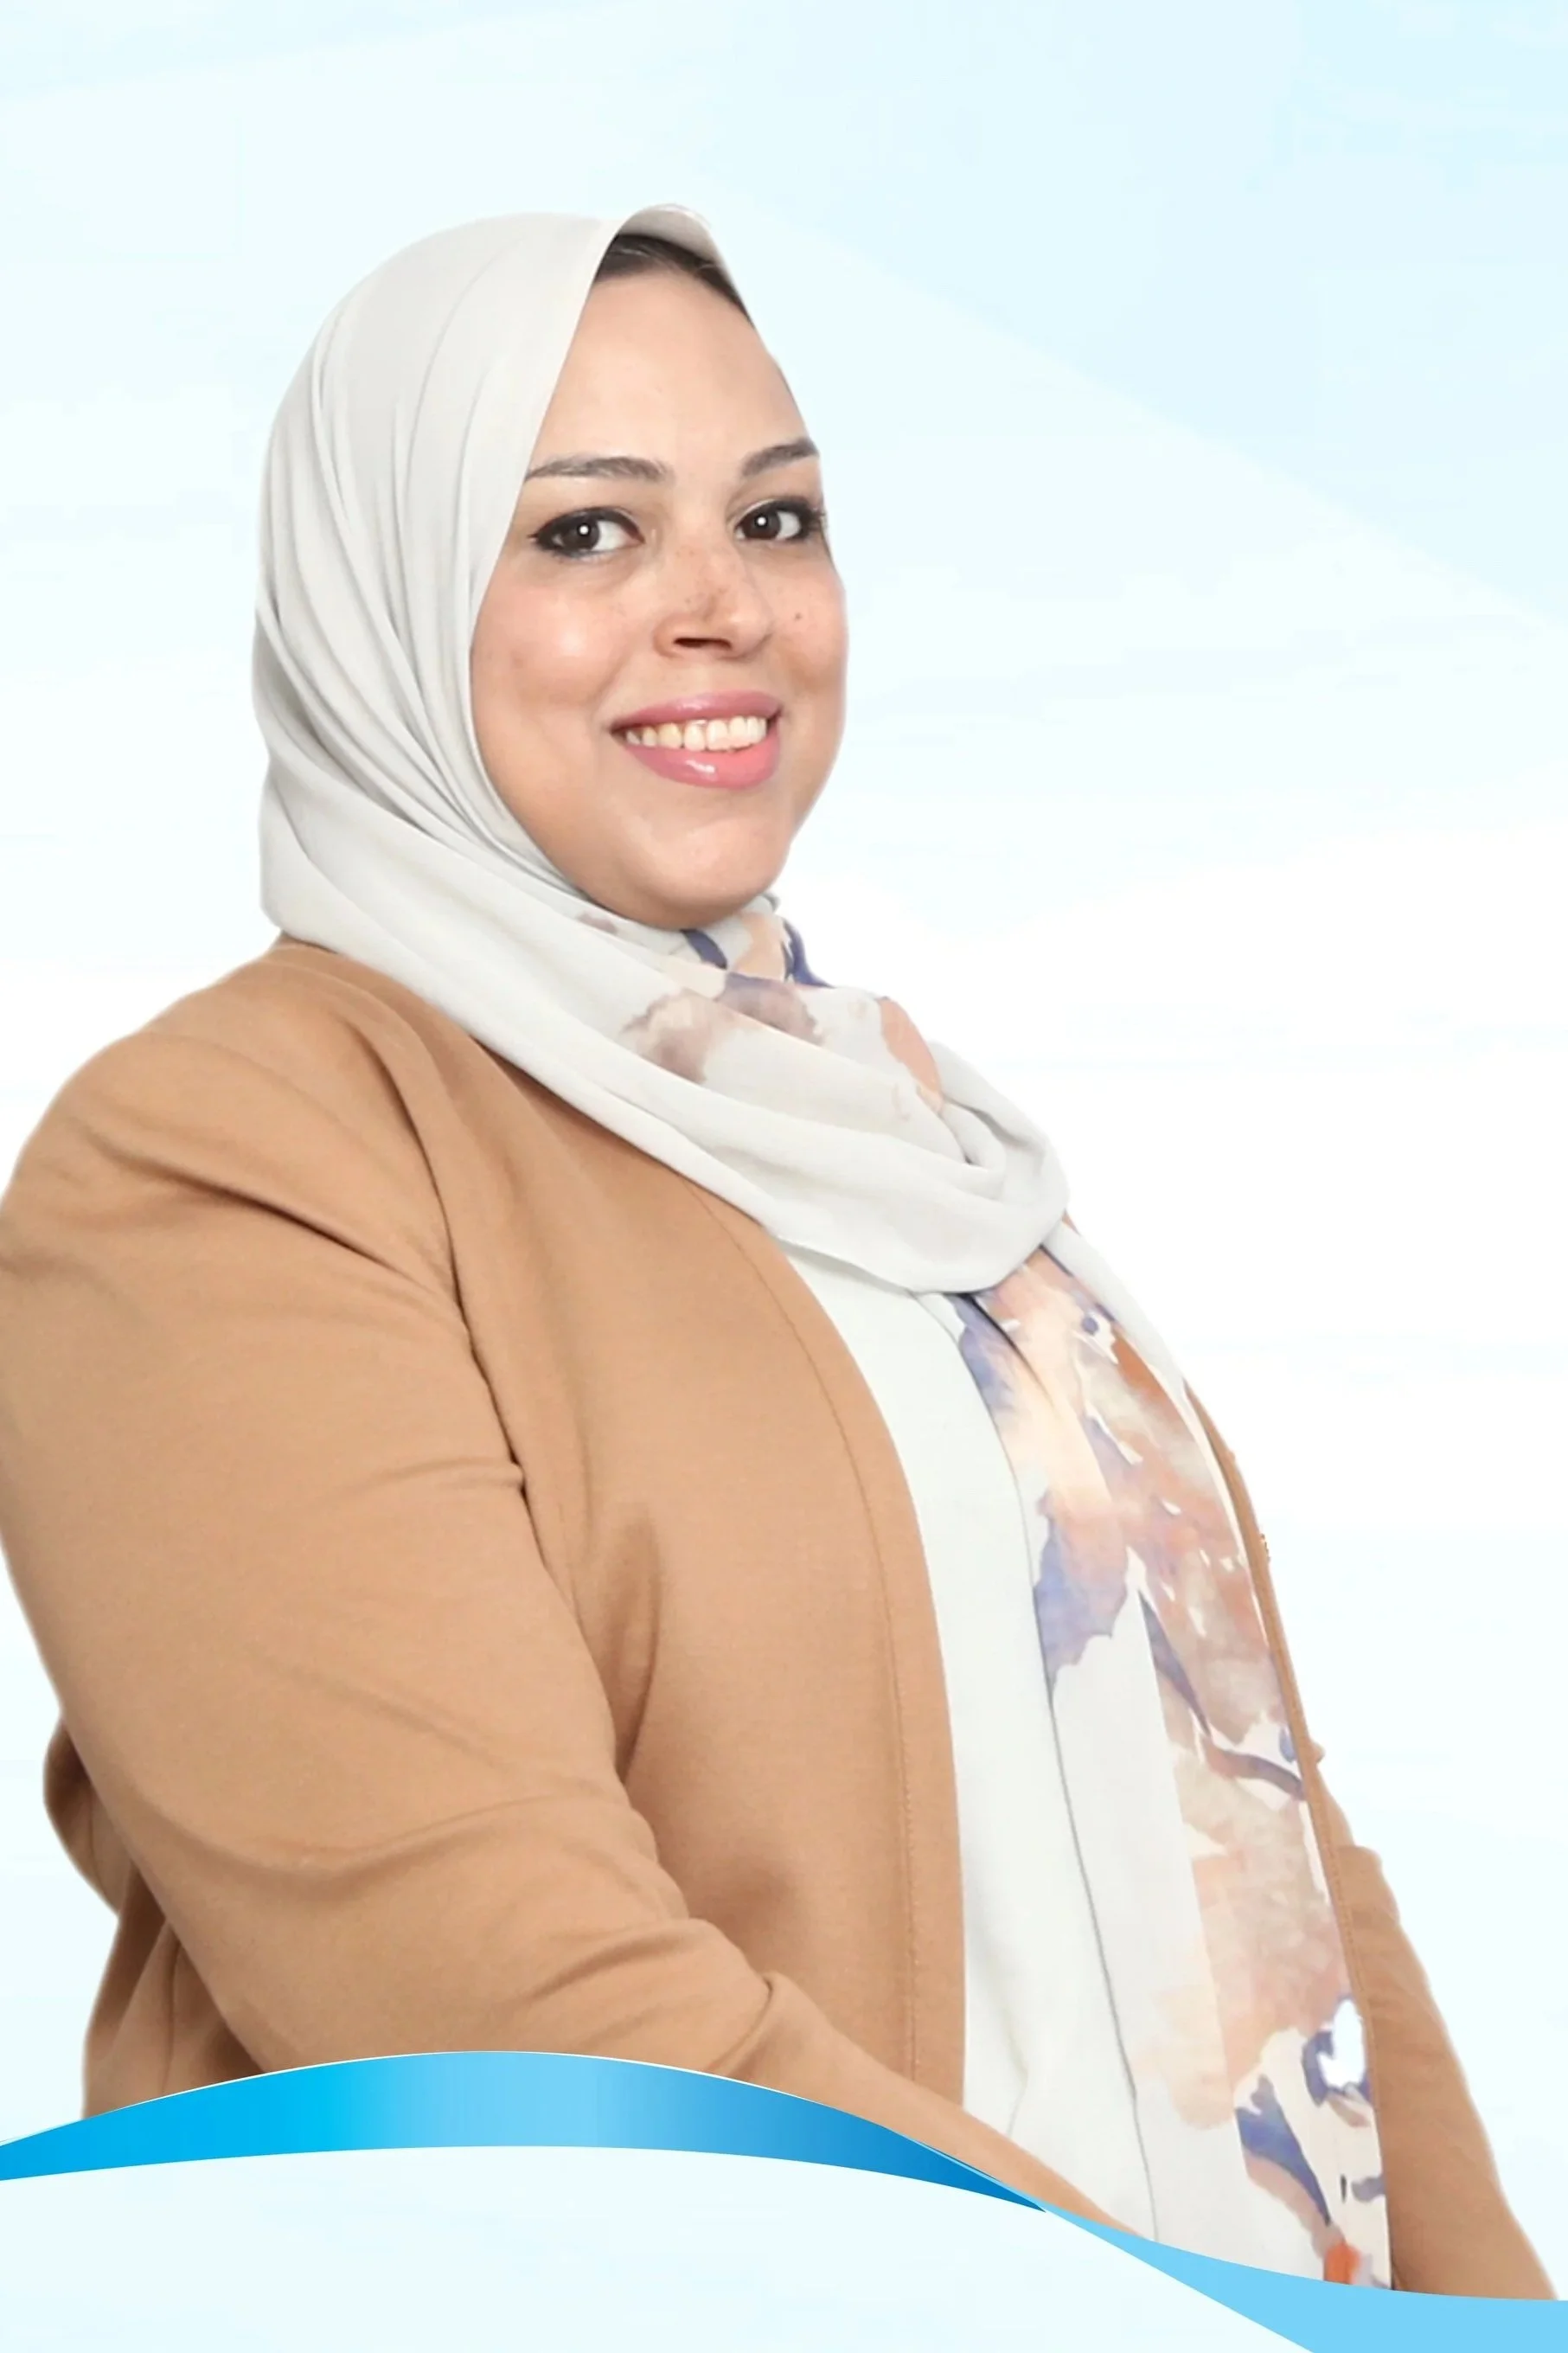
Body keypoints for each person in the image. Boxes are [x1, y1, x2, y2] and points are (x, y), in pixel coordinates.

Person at [0, 207, 1549, 2299]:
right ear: (380, 588)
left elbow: (1291, 1887)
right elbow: (497, 2001)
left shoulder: (936, 1166)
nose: (720, 605)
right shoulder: (227, 1162)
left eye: (778, 517)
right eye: (584, 534)